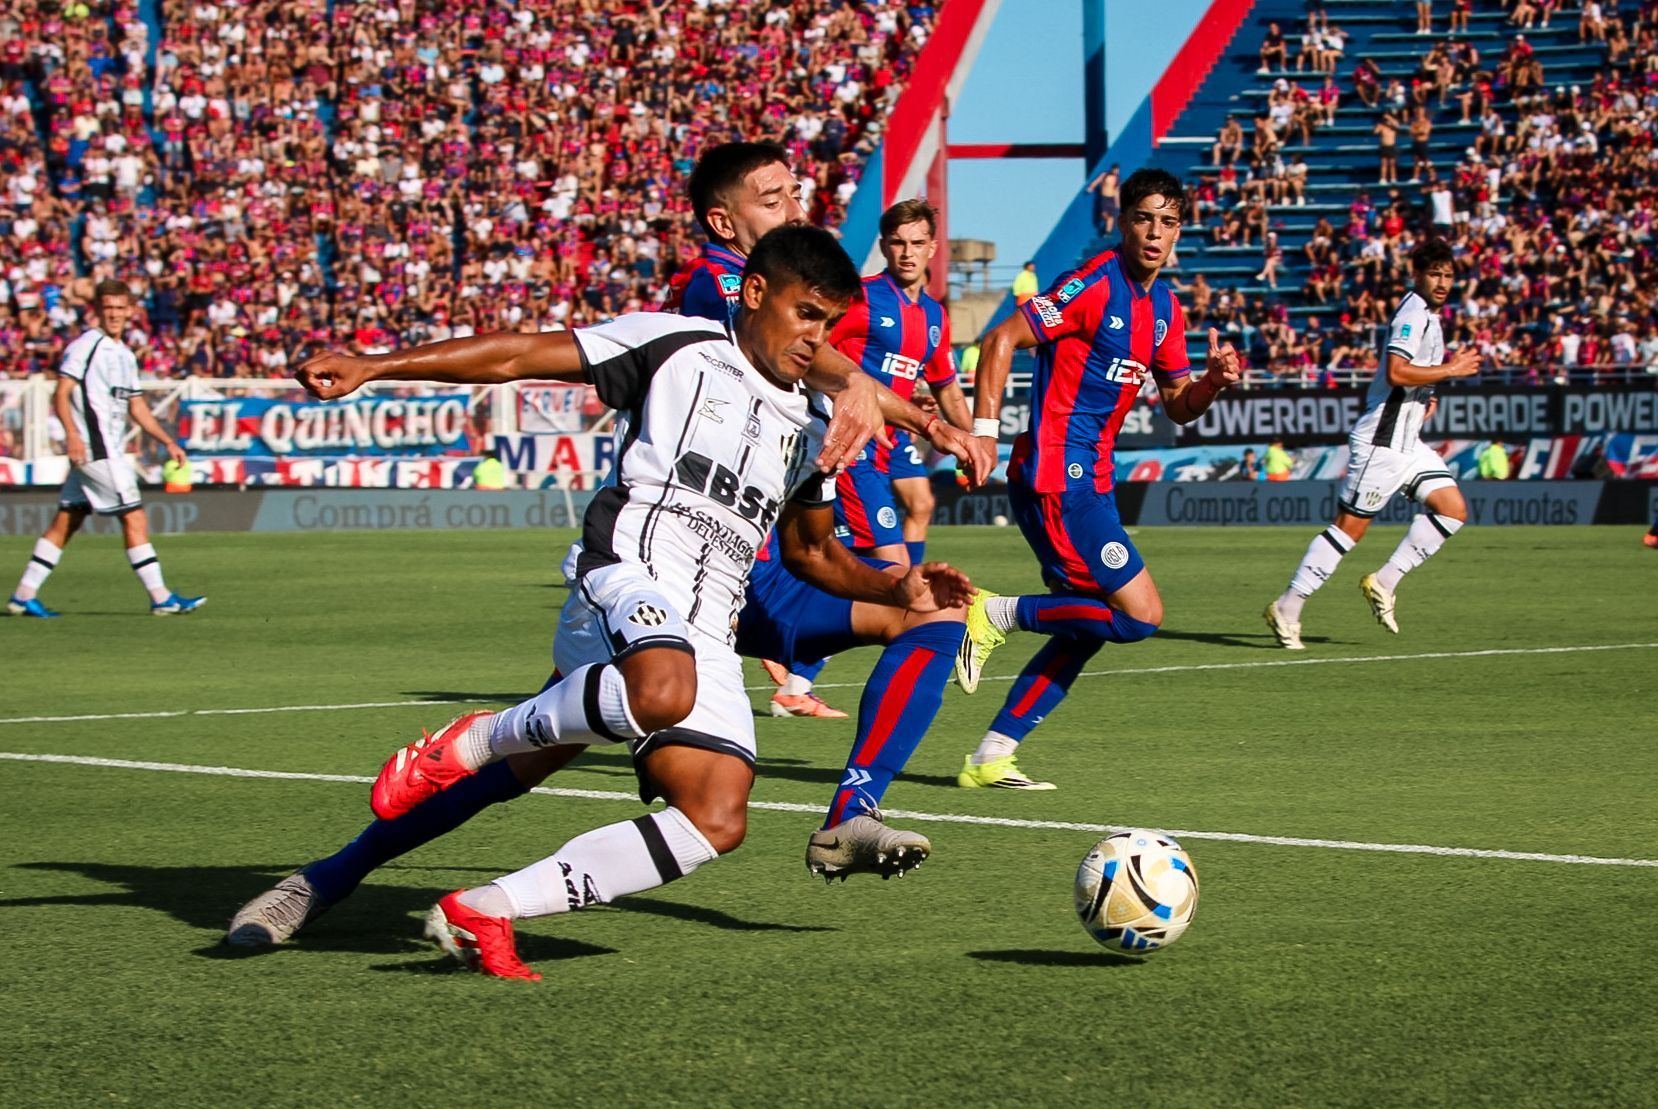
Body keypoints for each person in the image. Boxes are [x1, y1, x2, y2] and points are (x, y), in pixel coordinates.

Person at [266, 226, 975, 979]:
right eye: (806, 314)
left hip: (706, 628)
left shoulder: (812, 425)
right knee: (650, 694)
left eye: (829, 324)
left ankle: (488, 907)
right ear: (757, 293)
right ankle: (471, 739)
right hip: (624, 575)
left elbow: (814, 554)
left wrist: (895, 585)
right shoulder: (675, 345)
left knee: (716, 817)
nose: (817, 340)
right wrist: (377, 364)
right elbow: (515, 354)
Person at [949, 168, 1242, 790]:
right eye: (1144, 218)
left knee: (1086, 623)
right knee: (1138, 616)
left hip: (1090, 479)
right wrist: (984, 433)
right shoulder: (1091, 284)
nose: (1155, 233)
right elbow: (1001, 339)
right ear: (1122, 221)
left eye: (1167, 222)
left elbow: (1177, 403)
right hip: (1058, 474)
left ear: (1179, 230)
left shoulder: (1162, 308)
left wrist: (1213, 381)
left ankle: (990, 756)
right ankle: (994, 612)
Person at [1264, 239, 1481, 650]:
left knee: (1452, 510)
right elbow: (1398, 371)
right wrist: (1450, 370)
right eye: (1434, 273)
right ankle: (1288, 606)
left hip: (1408, 439)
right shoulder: (1413, 313)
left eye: (1448, 275)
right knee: (1349, 530)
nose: (1441, 282)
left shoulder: (1431, 318)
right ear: (1415, 273)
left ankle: (1384, 581)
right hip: (1382, 441)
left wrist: (1426, 398)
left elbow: (1409, 376)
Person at [7, 280, 204, 618]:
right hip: (96, 449)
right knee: (135, 515)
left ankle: (23, 596)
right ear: (97, 310)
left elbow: (137, 407)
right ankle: (161, 597)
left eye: (119, 308)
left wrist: (167, 440)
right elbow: (62, 390)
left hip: (99, 449)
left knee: (68, 519)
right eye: (107, 308)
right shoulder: (86, 345)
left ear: (129, 311)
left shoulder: (124, 354)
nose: (113, 314)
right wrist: (71, 433)